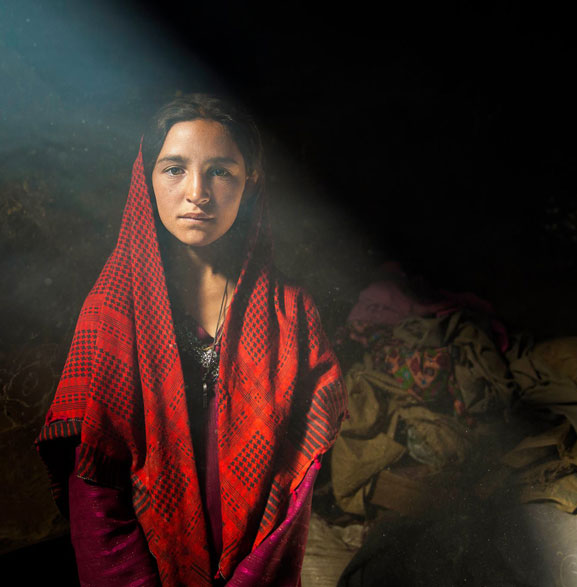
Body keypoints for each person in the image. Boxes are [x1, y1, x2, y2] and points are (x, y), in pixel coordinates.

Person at [36, 94, 348, 586]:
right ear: (147, 179)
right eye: (175, 169)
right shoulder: (112, 313)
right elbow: (94, 488)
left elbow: (294, 486)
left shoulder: (291, 317)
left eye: (221, 171)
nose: (197, 192)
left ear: (251, 183)